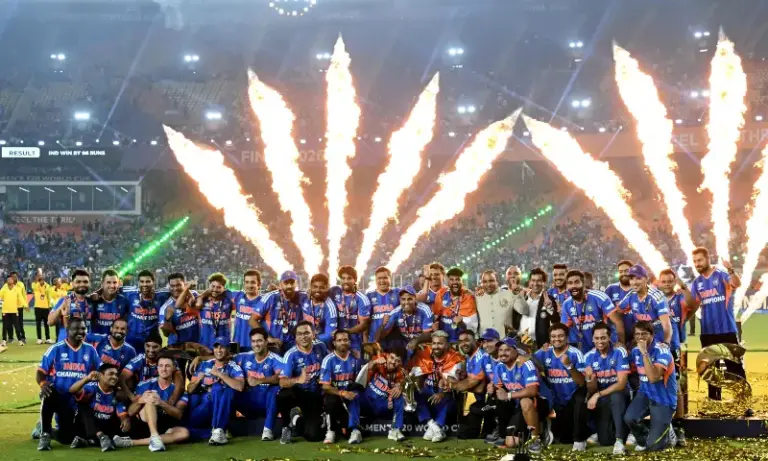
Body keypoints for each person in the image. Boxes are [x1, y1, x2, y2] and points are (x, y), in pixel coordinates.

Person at [688, 247, 745, 401]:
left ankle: (743, 401)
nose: (697, 264)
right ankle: (714, 402)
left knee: (734, 367)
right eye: (695, 261)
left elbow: (737, 283)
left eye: (700, 260)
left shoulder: (721, 274)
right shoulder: (697, 283)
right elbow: (693, 305)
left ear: (708, 259)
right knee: (711, 369)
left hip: (726, 330)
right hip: (707, 333)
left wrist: (730, 270)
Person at [37, 318, 101, 450]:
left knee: (66, 438)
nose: (80, 331)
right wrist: (43, 383)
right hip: (59, 397)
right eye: (76, 328)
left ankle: (45, 430)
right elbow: (40, 372)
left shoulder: (91, 350)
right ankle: (45, 434)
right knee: (48, 392)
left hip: (79, 400)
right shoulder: (56, 349)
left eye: (83, 328)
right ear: (67, 330)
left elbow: (100, 372)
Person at [113, 355, 191, 452]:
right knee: (150, 398)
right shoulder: (144, 384)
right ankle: (154, 435)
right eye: (161, 366)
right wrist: (141, 400)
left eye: (167, 366)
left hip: (163, 424)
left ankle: (131, 442)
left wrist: (161, 403)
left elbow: (179, 415)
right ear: (157, 368)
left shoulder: (179, 390)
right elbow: (131, 412)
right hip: (143, 424)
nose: (164, 369)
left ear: (174, 368)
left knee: (184, 433)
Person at [624, 321, 677, 452]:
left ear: (652, 335)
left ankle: (667, 430)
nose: (640, 337)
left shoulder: (662, 352)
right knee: (629, 418)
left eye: (644, 334)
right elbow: (629, 370)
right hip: (645, 393)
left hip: (663, 399)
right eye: (637, 334)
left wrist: (644, 353)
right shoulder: (635, 351)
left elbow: (653, 377)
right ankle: (644, 440)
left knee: (655, 447)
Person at [658, 268, 697, 446]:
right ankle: (661, 425)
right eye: (663, 281)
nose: (666, 284)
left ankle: (679, 427)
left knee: (676, 388)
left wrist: (684, 286)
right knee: (656, 386)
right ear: (659, 282)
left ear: (674, 282)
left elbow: (693, 304)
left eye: (669, 281)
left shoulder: (680, 297)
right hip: (655, 349)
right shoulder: (655, 298)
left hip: (673, 348)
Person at [534, 323, 588, 451]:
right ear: (549, 338)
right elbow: (527, 359)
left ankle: (579, 440)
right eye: (553, 336)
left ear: (567, 338)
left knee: (580, 397)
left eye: (560, 336)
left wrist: (569, 366)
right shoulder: (544, 352)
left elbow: (581, 382)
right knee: (562, 438)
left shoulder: (575, 353)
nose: (557, 339)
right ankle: (542, 429)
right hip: (554, 401)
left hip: (571, 400)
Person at [186, 336, 245, 445]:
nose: (219, 350)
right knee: (193, 403)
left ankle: (218, 429)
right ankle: (213, 432)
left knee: (222, 389)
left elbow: (240, 386)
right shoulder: (204, 365)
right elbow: (189, 389)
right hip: (203, 403)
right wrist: (198, 380)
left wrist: (220, 374)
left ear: (228, 349)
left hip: (219, 404)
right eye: (216, 347)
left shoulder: (233, 367)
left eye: (222, 347)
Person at [407, 329, 463, 442]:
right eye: (434, 343)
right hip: (428, 392)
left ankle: (437, 425)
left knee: (450, 396)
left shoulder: (455, 358)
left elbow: (452, 383)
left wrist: (442, 393)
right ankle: (434, 426)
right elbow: (414, 377)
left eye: (440, 343)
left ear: (447, 345)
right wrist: (413, 385)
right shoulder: (424, 354)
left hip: (446, 395)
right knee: (413, 394)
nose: (436, 346)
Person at [277, 320, 328, 444]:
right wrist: (298, 380)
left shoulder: (321, 347)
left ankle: (296, 420)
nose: (303, 337)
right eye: (299, 334)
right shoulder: (291, 355)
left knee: (313, 436)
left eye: (306, 333)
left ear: (313, 334)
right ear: (295, 337)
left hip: (316, 396)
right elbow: (282, 382)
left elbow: (329, 364)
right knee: (283, 394)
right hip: (300, 394)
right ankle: (286, 428)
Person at [583, 322, 630, 454]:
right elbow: (591, 389)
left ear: (609, 337)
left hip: (621, 393)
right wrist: (589, 379)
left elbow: (621, 383)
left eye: (603, 338)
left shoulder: (619, 352)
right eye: (597, 338)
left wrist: (598, 394)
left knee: (616, 396)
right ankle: (621, 432)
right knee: (605, 440)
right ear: (592, 339)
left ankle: (620, 440)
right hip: (603, 397)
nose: (600, 341)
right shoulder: (588, 357)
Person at [492, 337, 544, 454]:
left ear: (516, 351)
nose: (503, 353)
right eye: (500, 350)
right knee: (511, 443)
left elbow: (533, 390)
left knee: (525, 401)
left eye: (507, 350)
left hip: (539, 401)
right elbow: (498, 388)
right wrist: (493, 389)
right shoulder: (499, 366)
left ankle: (536, 439)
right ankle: (506, 433)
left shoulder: (526, 364)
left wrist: (508, 395)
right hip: (517, 406)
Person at [233, 327, 282, 441]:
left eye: (259, 341)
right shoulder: (244, 357)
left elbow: (281, 377)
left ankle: (268, 430)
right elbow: (222, 358)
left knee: (275, 390)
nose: (256, 344)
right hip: (248, 403)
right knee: (228, 388)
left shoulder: (275, 359)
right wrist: (200, 358)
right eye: (253, 341)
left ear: (266, 341)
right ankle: (225, 428)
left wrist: (260, 380)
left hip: (267, 404)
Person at [68, 363, 129, 451]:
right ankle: (101, 437)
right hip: (86, 425)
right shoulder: (92, 387)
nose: (115, 377)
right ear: (100, 375)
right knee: (83, 406)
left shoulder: (118, 394)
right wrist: (87, 379)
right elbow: (72, 390)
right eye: (111, 374)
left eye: (116, 375)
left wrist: (125, 420)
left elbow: (122, 413)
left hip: (105, 426)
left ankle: (88, 441)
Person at [452, 329, 499, 440]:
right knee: (462, 432)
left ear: (475, 341)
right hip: (481, 399)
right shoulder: (469, 357)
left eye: (467, 340)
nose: (463, 344)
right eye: (460, 341)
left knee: (474, 409)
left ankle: (495, 428)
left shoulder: (481, 356)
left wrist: (451, 385)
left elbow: (477, 386)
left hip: (491, 399)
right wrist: (463, 377)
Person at [560, 270, 624, 352]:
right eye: (570, 283)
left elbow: (618, 321)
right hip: (585, 348)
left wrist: (621, 344)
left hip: (607, 346)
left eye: (577, 282)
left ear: (583, 284)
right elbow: (563, 329)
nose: (573, 286)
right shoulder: (566, 304)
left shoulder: (599, 297)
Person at [320, 330, 364, 444]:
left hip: (350, 398)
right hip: (336, 396)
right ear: (334, 343)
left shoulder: (355, 358)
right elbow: (325, 386)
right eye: (339, 340)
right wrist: (342, 393)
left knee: (356, 393)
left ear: (349, 342)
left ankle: (355, 431)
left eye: (345, 340)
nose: (342, 342)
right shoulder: (328, 360)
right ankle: (331, 431)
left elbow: (359, 381)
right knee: (330, 399)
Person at [620, 265, 677, 351]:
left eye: (638, 278)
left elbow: (666, 324)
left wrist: (666, 343)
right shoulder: (631, 295)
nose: (634, 282)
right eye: (631, 279)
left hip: (661, 336)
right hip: (644, 337)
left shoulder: (656, 296)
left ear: (646, 279)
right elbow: (616, 312)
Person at [251, 270, 311, 353]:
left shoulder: (303, 296)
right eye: (286, 283)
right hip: (274, 344)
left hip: (295, 344)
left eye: (292, 282)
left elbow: (320, 295)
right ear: (280, 284)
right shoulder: (271, 297)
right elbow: (252, 320)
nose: (289, 286)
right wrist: (268, 338)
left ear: (296, 284)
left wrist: (312, 292)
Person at [356, 347, 408, 442]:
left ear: (400, 363)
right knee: (354, 393)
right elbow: (368, 367)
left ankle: (395, 430)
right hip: (367, 402)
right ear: (387, 356)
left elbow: (403, 382)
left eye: (397, 361)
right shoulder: (379, 359)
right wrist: (375, 362)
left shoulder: (400, 373)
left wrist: (400, 386)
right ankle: (354, 430)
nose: (393, 362)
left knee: (399, 397)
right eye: (392, 358)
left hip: (382, 406)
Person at [121, 330, 183, 403]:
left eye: (155, 347)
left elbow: (180, 384)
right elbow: (122, 378)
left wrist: (172, 401)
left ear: (161, 347)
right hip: (142, 394)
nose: (151, 350)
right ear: (144, 345)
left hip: (164, 395)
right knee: (121, 393)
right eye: (148, 346)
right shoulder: (139, 359)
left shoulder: (168, 360)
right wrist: (132, 397)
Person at [376, 285, 433, 358]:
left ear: (415, 298)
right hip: (405, 344)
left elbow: (428, 334)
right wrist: (382, 325)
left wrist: (416, 340)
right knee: (391, 341)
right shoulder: (395, 312)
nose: (406, 302)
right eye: (403, 299)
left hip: (422, 342)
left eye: (410, 299)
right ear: (400, 300)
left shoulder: (424, 309)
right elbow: (378, 338)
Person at [122, 270, 171, 352]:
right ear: (138, 283)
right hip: (132, 339)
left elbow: (177, 290)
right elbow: (111, 288)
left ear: (153, 282)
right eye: (142, 281)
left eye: (148, 281)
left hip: (152, 341)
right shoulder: (130, 293)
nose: (144, 284)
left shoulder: (162, 295)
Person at [328, 266, 371, 356]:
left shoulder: (362, 299)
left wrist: (346, 332)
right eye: (343, 278)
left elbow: (364, 325)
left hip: (354, 341)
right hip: (335, 341)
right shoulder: (334, 291)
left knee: (355, 364)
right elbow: (320, 293)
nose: (345, 281)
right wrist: (309, 292)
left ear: (355, 280)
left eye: (349, 278)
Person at [432, 267, 478, 342]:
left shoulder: (468, 298)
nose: (454, 282)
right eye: (451, 279)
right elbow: (435, 317)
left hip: (461, 343)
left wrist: (461, 323)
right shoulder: (441, 294)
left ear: (462, 281)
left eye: (457, 279)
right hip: (444, 342)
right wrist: (434, 323)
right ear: (448, 281)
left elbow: (473, 328)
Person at [49, 269, 95, 343]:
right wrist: (61, 308)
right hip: (65, 345)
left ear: (89, 283)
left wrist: (98, 293)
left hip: (86, 345)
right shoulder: (65, 300)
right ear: (72, 284)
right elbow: (50, 322)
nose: (82, 284)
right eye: (78, 282)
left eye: (85, 282)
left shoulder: (93, 301)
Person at [476, 270, 527, 337]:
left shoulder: (509, 294)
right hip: (485, 340)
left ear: (497, 281)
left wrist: (518, 295)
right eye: (485, 281)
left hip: (505, 341)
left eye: (491, 281)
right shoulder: (478, 297)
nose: (488, 284)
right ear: (481, 283)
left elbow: (524, 311)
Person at [191, 273, 235, 351]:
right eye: (213, 286)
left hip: (223, 343)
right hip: (205, 343)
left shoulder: (228, 300)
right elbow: (197, 305)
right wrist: (203, 294)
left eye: (219, 287)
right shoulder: (203, 300)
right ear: (209, 286)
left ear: (224, 288)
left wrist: (228, 292)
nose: (215, 289)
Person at [160, 273, 201, 346]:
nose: (175, 288)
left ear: (184, 284)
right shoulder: (165, 307)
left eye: (178, 285)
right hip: (178, 347)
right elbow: (166, 334)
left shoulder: (194, 294)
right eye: (172, 286)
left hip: (198, 345)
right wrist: (167, 319)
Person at [521, 268, 558, 348]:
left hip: (541, 345)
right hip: (523, 344)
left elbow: (556, 320)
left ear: (544, 282)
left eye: (539, 280)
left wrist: (549, 307)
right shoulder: (523, 298)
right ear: (529, 282)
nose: (535, 283)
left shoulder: (549, 299)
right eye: (533, 280)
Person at [366, 266, 401, 346]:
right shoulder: (369, 296)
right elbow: (365, 321)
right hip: (375, 341)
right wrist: (366, 341)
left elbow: (417, 297)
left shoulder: (397, 293)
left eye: (385, 278)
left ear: (390, 278)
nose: (382, 281)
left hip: (394, 341)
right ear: (375, 280)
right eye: (379, 278)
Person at [230, 269, 263, 351]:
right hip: (236, 343)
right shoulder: (237, 296)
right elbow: (218, 291)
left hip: (255, 346)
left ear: (259, 284)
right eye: (247, 282)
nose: (249, 285)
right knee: (233, 359)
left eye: (253, 282)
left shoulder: (264, 302)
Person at [90, 269, 130, 335]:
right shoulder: (93, 300)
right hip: (97, 340)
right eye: (108, 282)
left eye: (115, 282)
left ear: (118, 284)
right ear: (102, 283)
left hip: (116, 340)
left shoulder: (124, 301)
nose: (112, 286)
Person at [304, 273, 338, 347]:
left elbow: (329, 335)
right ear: (310, 287)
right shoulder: (304, 298)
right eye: (315, 287)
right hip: (302, 341)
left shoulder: (330, 307)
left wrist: (310, 339)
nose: (318, 290)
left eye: (321, 287)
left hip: (320, 345)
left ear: (327, 288)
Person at [604, 260, 635, 337]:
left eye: (626, 271)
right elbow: (604, 313)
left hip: (636, 335)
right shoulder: (610, 289)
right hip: (615, 335)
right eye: (621, 272)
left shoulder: (637, 289)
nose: (623, 274)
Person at [1, 274, 27, 347]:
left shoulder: (16, 289)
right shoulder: (4, 289)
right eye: (8, 280)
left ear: (13, 280)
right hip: (5, 311)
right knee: (5, 326)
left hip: (14, 311)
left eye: (11, 279)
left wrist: (25, 305)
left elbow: (21, 298)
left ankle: (20, 340)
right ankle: (4, 340)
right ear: (6, 281)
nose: (9, 280)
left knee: (17, 326)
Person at [32, 272, 53, 344]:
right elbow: (33, 287)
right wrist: (37, 279)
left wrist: (49, 306)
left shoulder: (47, 286)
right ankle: (39, 339)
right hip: (37, 307)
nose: (40, 277)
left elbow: (49, 296)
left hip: (45, 307)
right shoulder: (35, 285)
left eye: (41, 276)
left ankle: (48, 338)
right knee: (38, 323)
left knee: (46, 323)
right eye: (38, 276)